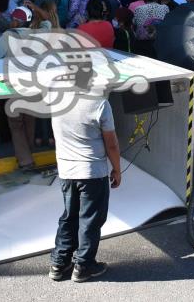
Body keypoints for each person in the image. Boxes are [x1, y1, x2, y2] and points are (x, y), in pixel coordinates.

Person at [48, 95, 121, 283]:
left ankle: (59, 263)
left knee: (69, 216)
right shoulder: (100, 104)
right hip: (92, 172)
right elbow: (111, 144)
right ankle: (83, 265)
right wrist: (117, 170)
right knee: (90, 220)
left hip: (66, 171)